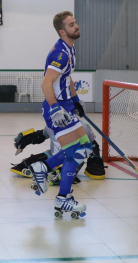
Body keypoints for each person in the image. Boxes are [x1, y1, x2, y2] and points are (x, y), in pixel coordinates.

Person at [28, 11, 90, 217]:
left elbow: (67, 78)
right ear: (62, 31)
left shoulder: (69, 49)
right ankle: (62, 199)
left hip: (66, 105)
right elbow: (46, 83)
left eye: (75, 22)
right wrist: (55, 107)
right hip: (57, 108)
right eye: (72, 24)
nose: (76, 26)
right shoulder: (61, 54)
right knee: (75, 153)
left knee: (85, 147)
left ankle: (43, 167)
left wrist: (75, 100)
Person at [10, 121, 106, 184]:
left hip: (72, 158)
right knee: (25, 165)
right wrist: (26, 139)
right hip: (52, 155)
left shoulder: (83, 127)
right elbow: (41, 136)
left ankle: (61, 173)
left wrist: (95, 162)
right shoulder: (51, 125)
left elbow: (93, 145)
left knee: (65, 171)